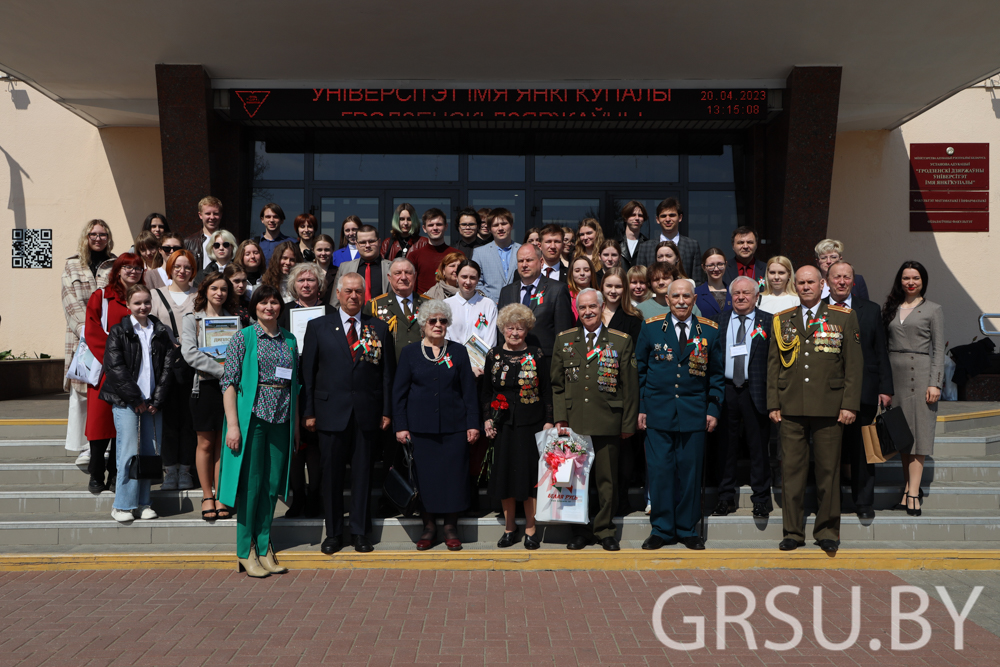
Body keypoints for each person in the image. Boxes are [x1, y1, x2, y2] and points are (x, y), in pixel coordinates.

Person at [768, 266, 862, 553]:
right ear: (795, 286)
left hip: (829, 407)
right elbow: (773, 365)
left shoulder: (843, 317)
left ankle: (827, 531)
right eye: (801, 283)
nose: (806, 287)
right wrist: (773, 402)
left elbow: (853, 366)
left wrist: (849, 404)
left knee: (828, 473)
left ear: (823, 284)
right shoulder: (782, 319)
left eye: (811, 282)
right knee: (792, 473)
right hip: (792, 406)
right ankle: (793, 533)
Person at [302, 272, 396, 554]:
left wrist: (387, 410)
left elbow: (387, 375)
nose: (354, 296)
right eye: (349, 291)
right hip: (330, 412)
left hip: (367, 413)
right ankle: (333, 533)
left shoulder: (378, 327)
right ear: (339, 294)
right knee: (330, 476)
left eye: (359, 292)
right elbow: (308, 373)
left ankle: (359, 532)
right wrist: (308, 411)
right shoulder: (318, 326)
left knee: (363, 475)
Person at [636, 278, 724, 550]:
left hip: (693, 414)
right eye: (676, 297)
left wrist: (712, 408)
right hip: (658, 413)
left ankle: (687, 529)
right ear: (667, 299)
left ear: (694, 300)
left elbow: (716, 375)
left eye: (687, 296)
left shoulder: (709, 331)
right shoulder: (651, 328)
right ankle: (661, 529)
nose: (682, 301)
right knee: (661, 473)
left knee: (689, 474)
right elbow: (639, 371)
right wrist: (641, 408)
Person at [219, 285, 298, 578]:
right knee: (250, 488)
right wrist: (234, 425)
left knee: (270, 487)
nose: (269, 307)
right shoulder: (244, 337)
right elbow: (228, 382)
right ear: (255, 307)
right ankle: (245, 551)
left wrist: (296, 426)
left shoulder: (290, 340)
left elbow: (294, 386)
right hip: (252, 420)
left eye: (274, 302)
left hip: (281, 419)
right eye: (263, 302)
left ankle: (264, 548)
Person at [551, 288, 638, 551]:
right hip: (574, 422)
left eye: (593, 307)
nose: (588, 312)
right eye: (583, 307)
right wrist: (560, 418)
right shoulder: (564, 340)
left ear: (602, 308)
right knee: (576, 480)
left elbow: (630, 387)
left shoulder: (620, 341)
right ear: (577, 310)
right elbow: (557, 385)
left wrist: (627, 424)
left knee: (606, 480)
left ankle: (604, 529)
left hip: (608, 420)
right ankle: (580, 530)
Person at [392, 300, 480, 551]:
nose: (438, 325)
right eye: (433, 321)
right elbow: (399, 393)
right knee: (426, 480)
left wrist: (472, 423)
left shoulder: (459, 351)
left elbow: (468, 393)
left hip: (454, 428)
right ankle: (429, 527)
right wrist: (401, 425)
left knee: (454, 478)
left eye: (443, 321)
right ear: (424, 324)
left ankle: (451, 527)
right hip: (420, 429)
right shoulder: (410, 353)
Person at [100, 283, 175, 524]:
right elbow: (115, 368)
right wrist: (136, 399)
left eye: (146, 302)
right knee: (128, 453)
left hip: (152, 403)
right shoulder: (118, 331)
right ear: (128, 305)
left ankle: (144, 502)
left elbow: (167, 368)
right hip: (127, 402)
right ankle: (123, 504)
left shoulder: (161, 330)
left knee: (150, 453)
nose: (143, 307)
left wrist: (156, 400)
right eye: (137, 303)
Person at [482, 304, 552, 549]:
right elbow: (487, 392)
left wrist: (548, 420)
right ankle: (510, 527)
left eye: (519, 329)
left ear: (527, 330)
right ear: (502, 329)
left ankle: (531, 528)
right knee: (504, 477)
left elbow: (546, 390)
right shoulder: (493, 355)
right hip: (502, 425)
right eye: (510, 328)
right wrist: (487, 418)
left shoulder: (536, 354)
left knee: (528, 477)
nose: (514, 333)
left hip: (530, 424)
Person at [828, 261, 893, 520]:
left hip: (865, 391)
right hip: (829, 393)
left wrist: (885, 388)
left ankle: (864, 503)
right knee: (830, 452)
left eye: (846, 277)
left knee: (863, 452)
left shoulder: (871, 309)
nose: (842, 281)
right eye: (837, 277)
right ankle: (830, 502)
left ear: (853, 281)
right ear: (828, 281)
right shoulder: (820, 310)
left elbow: (880, 351)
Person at [882, 260, 944, 518]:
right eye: (906, 278)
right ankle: (907, 489)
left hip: (920, 374)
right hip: (895, 375)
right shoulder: (891, 308)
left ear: (923, 281)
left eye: (915, 278)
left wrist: (935, 382)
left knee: (918, 435)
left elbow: (939, 349)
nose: (911, 282)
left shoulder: (933, 309)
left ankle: (913, 494)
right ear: (900, 280)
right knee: (902, 437)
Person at [276, 262, 336, 519]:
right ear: (293, 285)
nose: (306, 284)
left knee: (315, 444)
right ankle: (297, 496)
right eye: (301, 281)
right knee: (294, 443)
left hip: (323, 385)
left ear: (319, 285)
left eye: (311, 280)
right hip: (291, 384)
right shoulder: (284, 312)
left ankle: (315, 496)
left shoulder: (331, 312)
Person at [712, 276, 773, 519]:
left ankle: (761, 499)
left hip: (755, 390)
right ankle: (725, 498)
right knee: (725, 448)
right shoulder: (719, 320)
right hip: (726, 390)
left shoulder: (768, 321)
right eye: (736, 293)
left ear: (756, 296)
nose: (740, 297)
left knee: (758, 447)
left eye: (746, 293)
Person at [84, 253, 144, 493]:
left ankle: (116, 474)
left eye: (137, 267)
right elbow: (92, 331)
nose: (132, 271)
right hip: (105, 371)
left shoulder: (142, 298)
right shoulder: (102, 296)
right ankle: (96, 473)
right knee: (100, 427)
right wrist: (114, 362)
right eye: (127, 267)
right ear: (117, 270)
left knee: (125, 426)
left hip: (133, 373)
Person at [182, 272, 237, 521]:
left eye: (224, 289)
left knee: (222, 446)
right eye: (214, 288)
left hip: (229, 390)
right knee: (205, 443)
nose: (219, 293)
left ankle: (222, 495)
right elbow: (190, 354)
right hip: (203, 388)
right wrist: (224, 370)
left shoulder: (235, 320)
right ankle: (207, 495)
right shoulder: (192, 319)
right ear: (205, 290)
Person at [62, 220, 117, 462]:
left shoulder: (116, 265)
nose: (98, 238)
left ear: (108, 237)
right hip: (80, 337)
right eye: (93, 234)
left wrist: (104, 333)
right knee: (83, 390)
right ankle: (86, 445)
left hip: (109, 338)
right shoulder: (73, 264)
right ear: (86, 237)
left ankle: (104, 443)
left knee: (105, 389)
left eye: (102, 234)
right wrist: (86, 329)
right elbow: (68, 299)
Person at [150, 249, 199, 491]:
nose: (182, 271)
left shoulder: (200, 296)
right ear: (169, 268)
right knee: (168, 420)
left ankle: (186, 470)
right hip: (165, 369)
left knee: (189, 420)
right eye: (177, 266)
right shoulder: (154, 295)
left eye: (187, 267)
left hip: (194, 367)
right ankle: (170, 470)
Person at [498, 244, 574, 361]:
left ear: (541, 261)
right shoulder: (506, 291)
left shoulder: (557, 290)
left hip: (544, 362)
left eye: (529, 260)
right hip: (512, 362)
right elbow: (501, 332)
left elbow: (563, 335)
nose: (524, 265)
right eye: (520, 261)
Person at [365, 258, 430, 363]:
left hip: (423, 366)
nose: (403, 277)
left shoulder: (429, 304)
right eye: (398, 273)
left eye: (408, 273)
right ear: (389, 278)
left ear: (415, 276)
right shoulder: (375, 305)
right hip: (391, 369)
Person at [635, 198, 705, 284]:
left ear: (680, 217)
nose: (668, 219)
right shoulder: (645, 247)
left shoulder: (692, 245)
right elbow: (641, 280)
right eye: (663, 216)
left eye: (672, 215)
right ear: (657, 219)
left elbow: (697, 281)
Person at [445, 259, 498, 358]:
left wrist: (478, 362)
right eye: (464, 277)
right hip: (453, 361)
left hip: (480, 364)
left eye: (473, 278)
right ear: (456, 277)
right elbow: (445, 337)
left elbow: (491, 340)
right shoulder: (446, 305)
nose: (468, 282)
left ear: (478, 279)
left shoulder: (488, 304)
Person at [329, 225, 390, 306]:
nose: (367, 245)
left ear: (379, 242)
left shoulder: (391, 267)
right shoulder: (344, 268)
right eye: (362, 242)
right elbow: (335, 302)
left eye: (371, 241)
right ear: (356, 245)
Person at [472, 208, 521, 303]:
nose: (500, 228)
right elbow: (477, 283)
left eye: (504, 224)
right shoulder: (479, 252)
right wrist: (493, 301)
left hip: (519, 305)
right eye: (495, 225)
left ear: (511, 225)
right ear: (490, 229)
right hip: (491, 306)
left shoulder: (521, 250)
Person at [408, 208, 460, 295]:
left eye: (439, 224)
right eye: (431, 225)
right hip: (424, 304)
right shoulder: (414, 256)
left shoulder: (457, 255)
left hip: (452, 303)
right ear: (424, 228)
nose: (435, 228)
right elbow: (411, 286)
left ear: (446, 226)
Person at [636, 262, 702, 321]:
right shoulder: (641, 309)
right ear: (650, 283)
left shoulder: (689, 306)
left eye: (665, 278)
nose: (661, 282)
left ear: (674, 279)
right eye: (656, 279)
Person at [184, 196, 224, 270]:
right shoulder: (188, 242)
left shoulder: (231, 241)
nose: (212, 217)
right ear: (200, 215)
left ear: (221, 215)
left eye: (215, 213)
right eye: (208, 214)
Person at [694, 248, 732, 319]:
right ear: (704, 267)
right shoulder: (696, 293)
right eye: (711, 265)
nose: (716, 269)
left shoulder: (734, 292)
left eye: (720, 264)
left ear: (726, 264)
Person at [618, 200, 648, 270]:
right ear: (625, 218)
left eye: (640, 215)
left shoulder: (648, 244)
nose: (637, 218)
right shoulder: (616, 243)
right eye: (633, 215)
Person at [224, 264, 253, 328]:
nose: (241, 285)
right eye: (236, 281)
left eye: (244, 281)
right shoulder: (221, 304)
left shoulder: (248, 304)